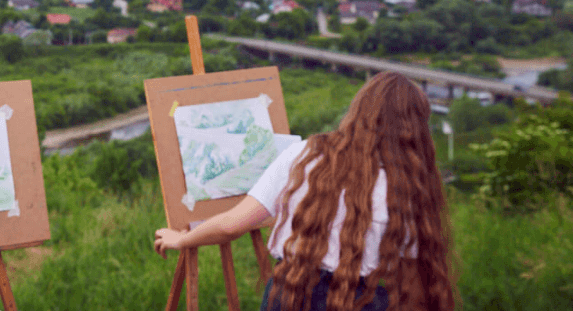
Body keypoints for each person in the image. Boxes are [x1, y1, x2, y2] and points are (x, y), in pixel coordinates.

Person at [154, 71, 456, 311]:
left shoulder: (306, 155)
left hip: (292, 292)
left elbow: (233, 224)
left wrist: (183, 238)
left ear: (359, 110)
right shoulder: (412, 183)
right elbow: (415, 277)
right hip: (369, 301)